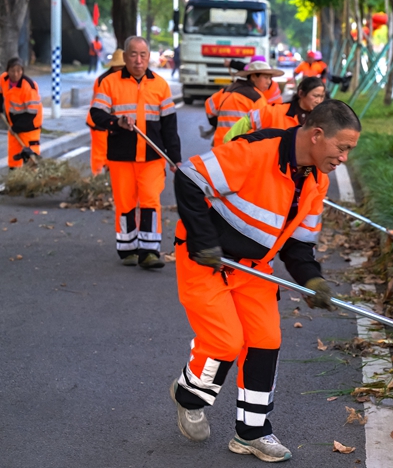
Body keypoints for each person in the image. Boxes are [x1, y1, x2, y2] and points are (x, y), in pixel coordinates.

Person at [169, 100, 361, 462]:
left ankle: (251, 432)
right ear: (317, 135)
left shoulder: (316, 180)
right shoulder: (256, 152)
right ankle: (189, 396)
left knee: (265, 340)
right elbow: (188, 178)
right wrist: (203, 240)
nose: (344, 158)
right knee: (226, 341)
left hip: (254, 267)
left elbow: (299, 244)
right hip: (205, 260)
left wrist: (312, 280)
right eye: (343, 148)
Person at [89, 36, 181, 269]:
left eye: (143, 55)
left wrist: (175, 158)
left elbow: (170, 125)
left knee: (151, 200)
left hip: (152, 156)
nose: (138, 60)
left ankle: (150, 251)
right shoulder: (109, 83)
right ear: (126, 56)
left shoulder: (160, 85)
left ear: (149, 57)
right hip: (121, 156)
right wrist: (116, 122)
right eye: (133, 54)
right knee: (125, 203)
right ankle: (128, 248)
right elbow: (96, 115)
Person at [223, 77, 326, 143]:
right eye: (315, 96)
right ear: (301, 93)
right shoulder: (275, 111)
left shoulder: (323, 119)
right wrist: (229, 145)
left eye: (322, 97)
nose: (319, 100)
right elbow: (247, 121)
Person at [205, 61, 283, 148]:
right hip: (238, 148)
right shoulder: (257, 98)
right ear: (253, 76)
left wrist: (218, 125)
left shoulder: (227, 89)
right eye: (266, 77)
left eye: (270, 78)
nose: (269, 82)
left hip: (219, 146)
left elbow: (209, 107)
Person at [85, 49, 125, 175]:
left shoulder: (120, 78)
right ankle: (97, 179)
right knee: (100, 153)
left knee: (110, 152)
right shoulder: (104, 80)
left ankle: (108, 179)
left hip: (112, 122)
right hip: (99, 121)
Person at [1, 58, 43, 168]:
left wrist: (17, 128)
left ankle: (33, 183)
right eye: (12, 71)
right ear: (7, 70)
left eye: (19, 71)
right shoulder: (4, 79)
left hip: (30, 127)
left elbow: (31, 113)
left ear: (22, 71)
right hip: (14, 125)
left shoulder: (29, 87)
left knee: (30, 160)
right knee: (14, 158)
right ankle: (15, 179)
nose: (15, 74)